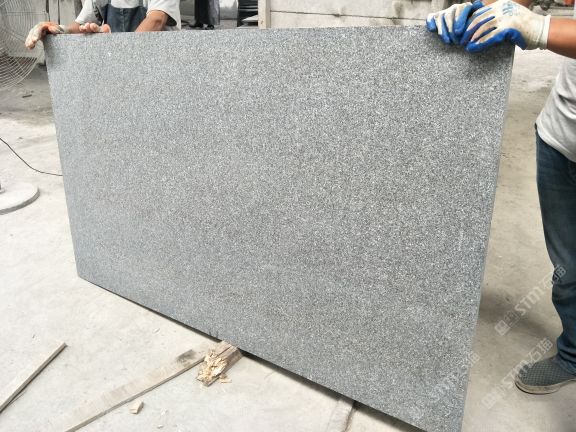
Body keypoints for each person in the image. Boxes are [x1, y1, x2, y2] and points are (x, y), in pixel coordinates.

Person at [428, 0, 576, 394]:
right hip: (561, 135)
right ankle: (575, 354)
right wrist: (489, 10)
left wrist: (539, 29)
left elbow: (537, 25)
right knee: (568, 266)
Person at [26, 0, 180, 50]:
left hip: (160, 62)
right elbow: (81, 25)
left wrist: (117, 50)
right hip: (121, 66)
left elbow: (156, 20)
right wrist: (58, 29)